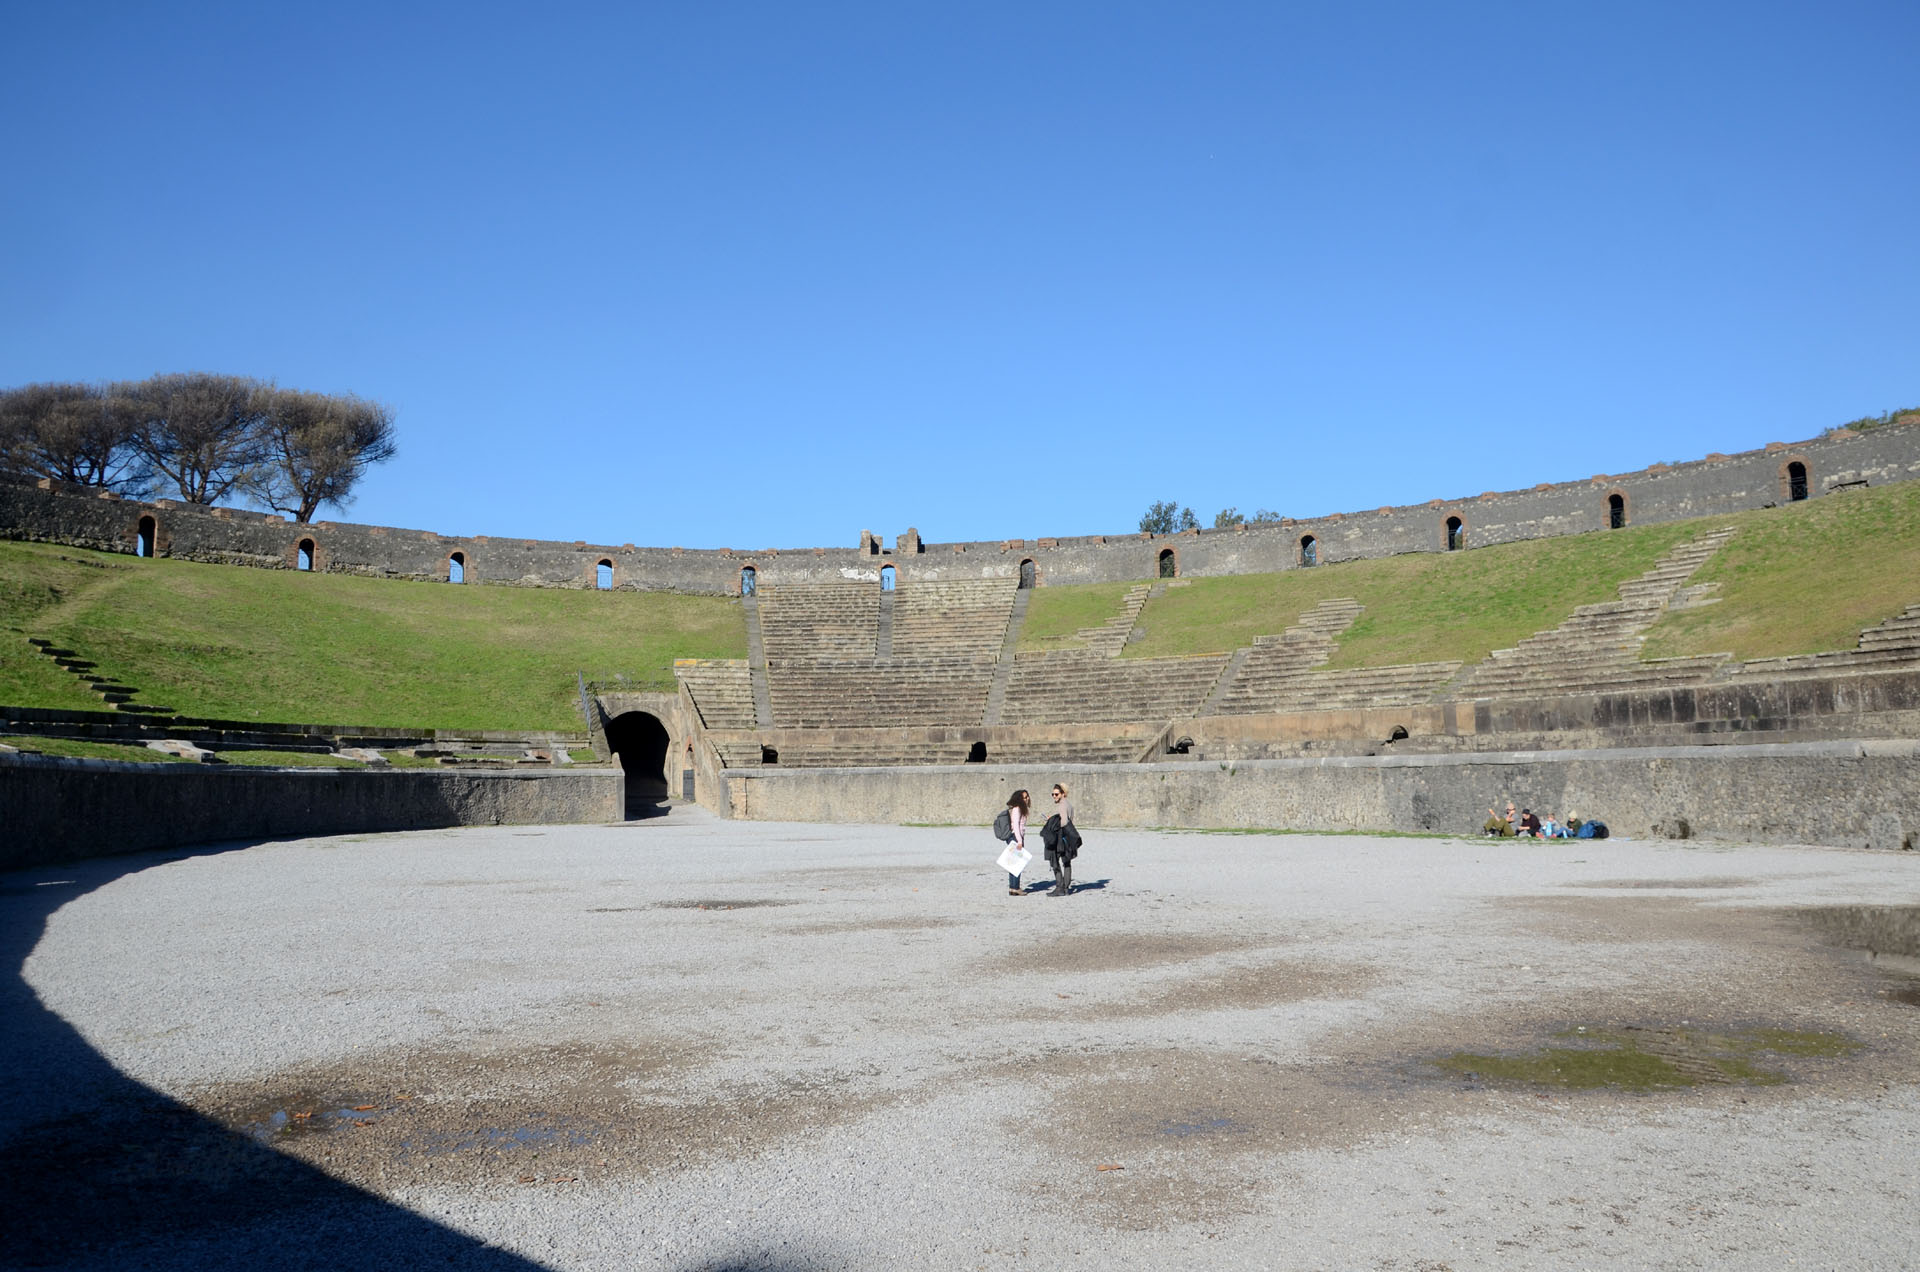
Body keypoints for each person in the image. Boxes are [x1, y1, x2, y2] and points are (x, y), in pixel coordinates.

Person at [1044, 783, 1078, 896]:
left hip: (1060, 836)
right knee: (1066, 862)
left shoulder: (1062, 805)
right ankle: (1066, 888)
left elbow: (1063, 822)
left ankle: (1060, 887)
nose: (1054, 796)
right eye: (1052, 794)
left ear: (1063, 794)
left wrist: (1052, 820)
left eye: (1056, 794)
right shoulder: (1069, 805)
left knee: (1054, 861)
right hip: (1068, 836)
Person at [1004, 789, 1031, 896]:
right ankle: (1015, 887)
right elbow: (1015, 825)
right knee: (1017, 864)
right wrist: (1019, 841)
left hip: (1016, 837)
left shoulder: (1020, 809)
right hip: (1016, 837)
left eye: (1027, 797)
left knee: (1013, 864)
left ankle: (1013, 887)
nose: (1026, 799)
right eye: (1024, 797)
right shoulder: (1017, 809)